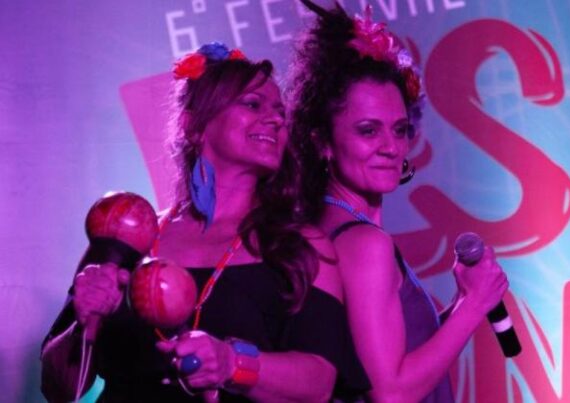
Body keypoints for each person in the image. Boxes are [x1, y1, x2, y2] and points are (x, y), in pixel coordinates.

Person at [41, 42, 368, 402]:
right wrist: (83, 326)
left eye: (280, 112)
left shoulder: (300, 245)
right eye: (253, 104)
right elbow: (58, 388)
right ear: (194, 125)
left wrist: (233, 364)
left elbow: (319, 383)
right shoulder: (128, 235)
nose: (276, 120)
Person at [287, 2, 509, 402]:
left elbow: (384, 359)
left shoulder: (330, 227)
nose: (391, 147)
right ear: (322, 142)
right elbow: (390, 392)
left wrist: (462, 301)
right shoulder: (363, 243)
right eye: (368, 130)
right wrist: (475, 305)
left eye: (400, 129)